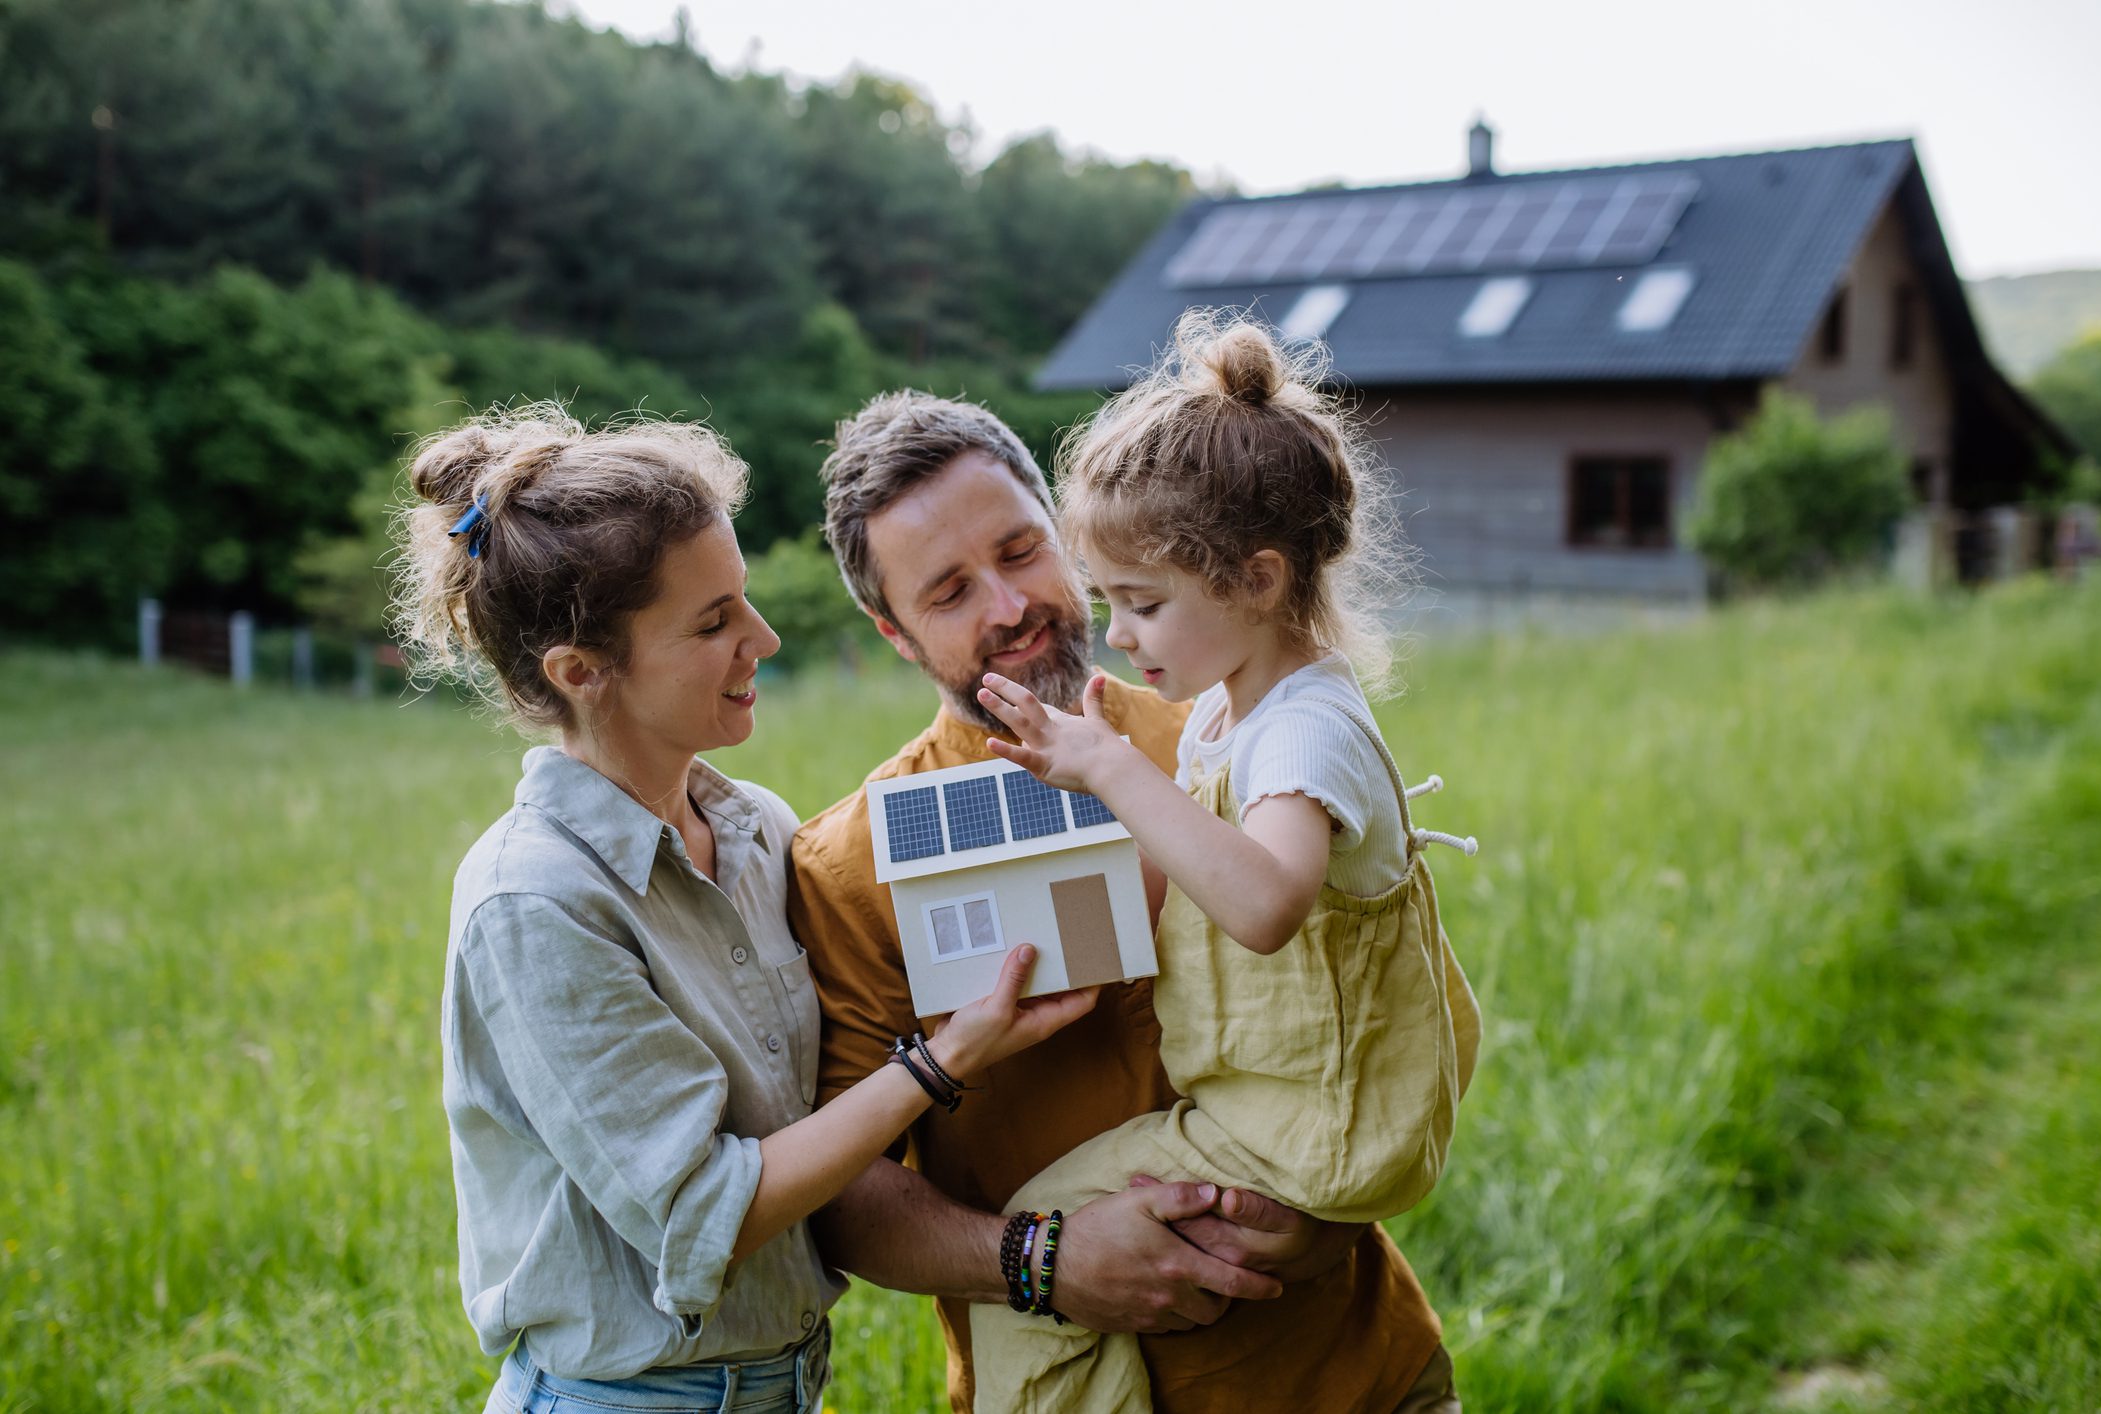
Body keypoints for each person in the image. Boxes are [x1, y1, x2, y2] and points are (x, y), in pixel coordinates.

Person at [392, 405, 1093, 1414]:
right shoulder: (534, 900)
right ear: (581, 673)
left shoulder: (760, 829)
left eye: (745, 602)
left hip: (783, 1384)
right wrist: (941, 1062)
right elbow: (702, 1212)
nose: (760, 638)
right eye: (713, 623)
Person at [788, 389, 1462, 1412]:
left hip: (1355, 1372)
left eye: (1020, 552)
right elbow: (844, 1198)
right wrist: (1039, 1259)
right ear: (895, 632)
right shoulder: (848, 863)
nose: (1008, 607)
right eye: (950, 592)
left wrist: (1322, 1207)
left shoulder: (1231, 727)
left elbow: (1374, 998)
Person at [966, 312, 1483, 1412]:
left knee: (1032, 1256)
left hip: (1311, 1130)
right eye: (1109, 601)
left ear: (1256, 579)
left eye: (1144, 604)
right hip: (1269, 1110)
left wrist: (1113, 769)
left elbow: (1261, 906)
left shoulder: (1303, 732)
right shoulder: (1227, 713)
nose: (1118, 634)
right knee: (1052, 1255)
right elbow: (1187, 893)